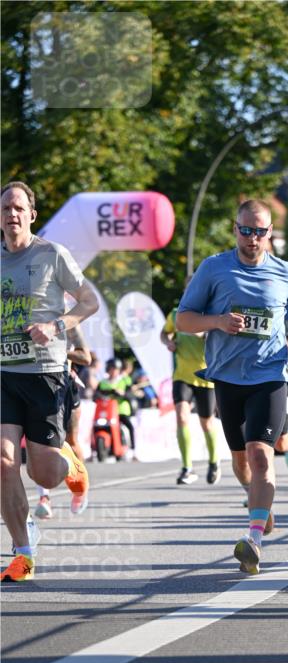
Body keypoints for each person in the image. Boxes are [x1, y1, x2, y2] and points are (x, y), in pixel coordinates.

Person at [176, 198, 288, 574]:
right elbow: (184, 321)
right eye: (246, 230)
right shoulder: (213, 268)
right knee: (240, 461)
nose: (253, 238)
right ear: (235, 229)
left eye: (260, 232)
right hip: (226, 377)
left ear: (270, 233)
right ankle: (258, 504)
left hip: (270, 375)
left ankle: (253, 539)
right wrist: (218, 322)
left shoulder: (286, 272)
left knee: (259, 454)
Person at [1, 181, 97, 582]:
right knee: (4, 462)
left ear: (32, 214)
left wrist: (57, 325)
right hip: (5, 375)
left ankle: (71, 466)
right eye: (6, 208)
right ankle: (23, 551)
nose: (12, 214)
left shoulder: (52, 254)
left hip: (45, 374)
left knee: (44, 474)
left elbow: (89, 300)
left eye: (19, 207)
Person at [34, 325, 93, 519]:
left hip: (64, 386)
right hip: (35, 385)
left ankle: (78, 488)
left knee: (72, 440)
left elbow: (86, 358)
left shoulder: (68, 322)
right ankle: (44, 499)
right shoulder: (23, 316)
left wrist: (59, 350)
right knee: (42, 443)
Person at [160, 305, 222, 485]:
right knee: (181, 417)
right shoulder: (175, 314)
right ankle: (187, 467)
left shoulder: (211, 314)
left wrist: (200, 332)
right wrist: (168, 342)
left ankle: (213, 461)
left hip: (205, 377)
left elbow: (218, 340)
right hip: (182, 376)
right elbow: (164, 333)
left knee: (207, 422)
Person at [96, 357, 137, 459]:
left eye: (116, 369)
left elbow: (130, 394)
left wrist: (123, 393)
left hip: (121, 410)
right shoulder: (103, 382)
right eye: (111, 369)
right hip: (106, 411)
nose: (113, 371)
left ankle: (132, 449)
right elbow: (96, 394)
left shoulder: (124, 381)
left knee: (129, 426)